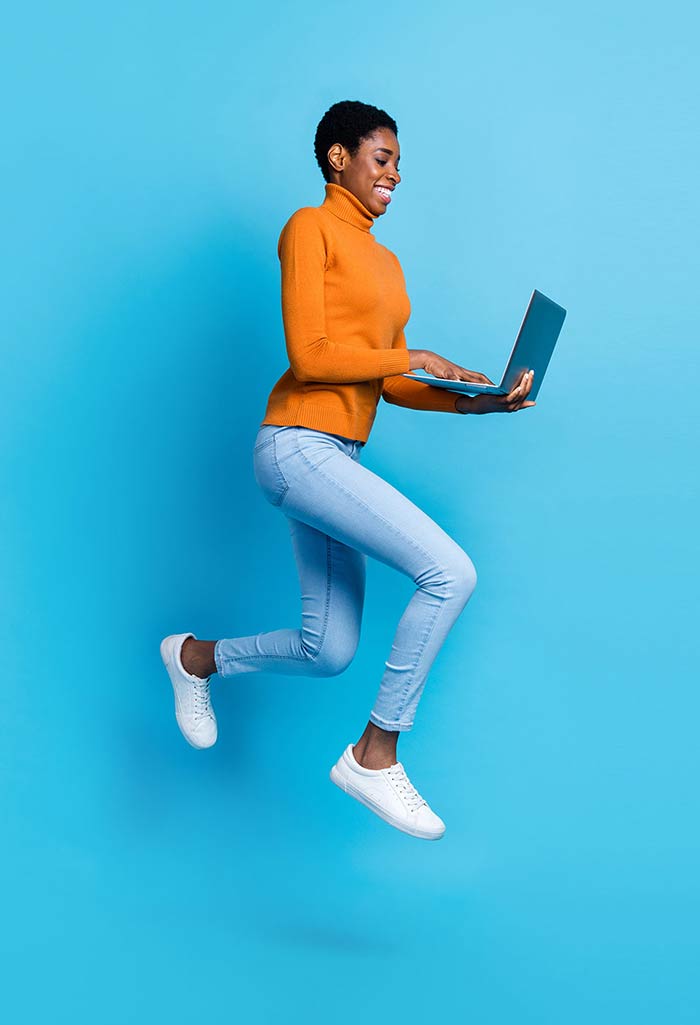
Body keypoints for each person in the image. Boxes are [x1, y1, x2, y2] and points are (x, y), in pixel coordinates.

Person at [160, 100, 535, 841]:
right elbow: (311, 357)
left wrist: (478, 401)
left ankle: (194, 658)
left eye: (398, 164)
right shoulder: (310, 228)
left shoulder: (386, 264)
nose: (394, 174)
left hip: (337, 457)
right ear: (339, 157)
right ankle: (375, 753)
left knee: (326, 649)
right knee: (450, 572)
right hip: (297, 445)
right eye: (382, 157)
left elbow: (388, 383)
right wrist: (413, 353)